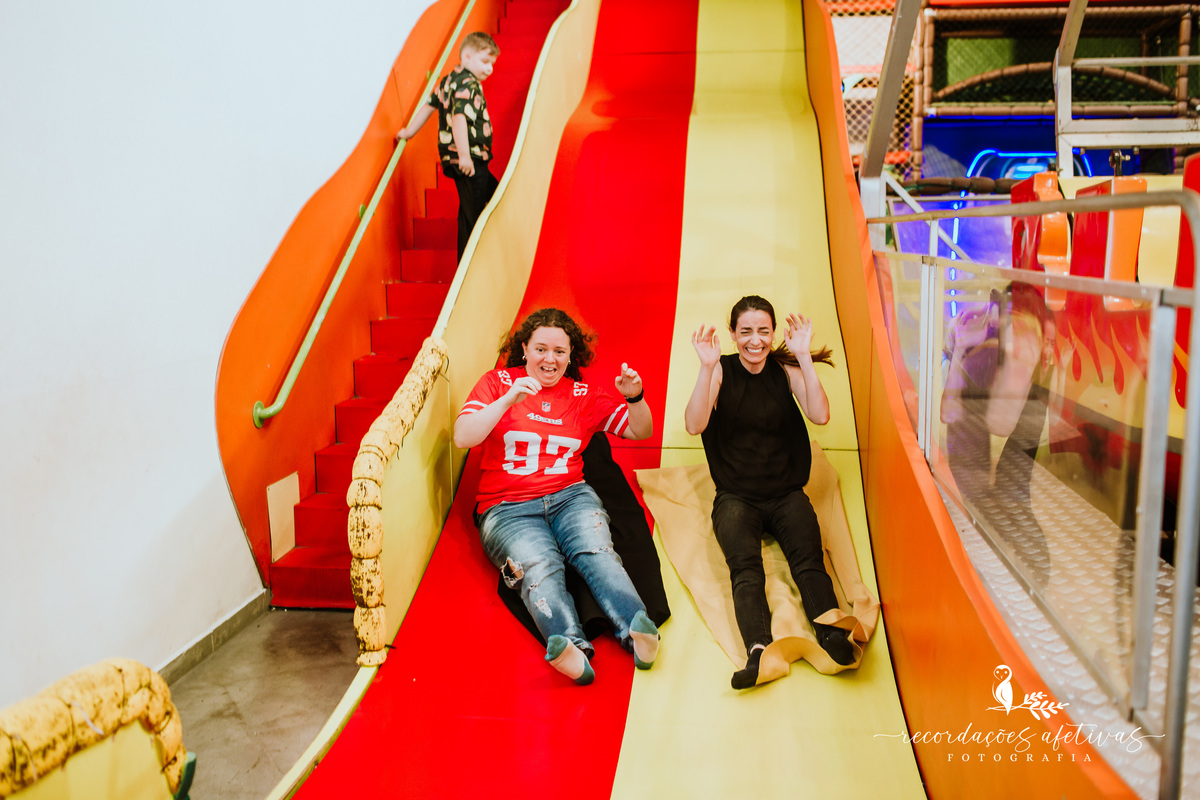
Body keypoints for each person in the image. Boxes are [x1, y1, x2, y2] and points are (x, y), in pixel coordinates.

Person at [454, 308, 661, 684]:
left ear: (571, 356)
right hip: (507, 508)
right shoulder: (498, 382)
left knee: (595, 551)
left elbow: (639, 431)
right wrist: (507, 400)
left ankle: (637, 627)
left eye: (560, 352)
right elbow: (463, 437)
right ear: (525, 349)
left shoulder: (582, 395)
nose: (550, 359)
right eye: (541, 349)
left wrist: (636, 398)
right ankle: (568, 643)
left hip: (570, 497)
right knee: (538, 566)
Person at [685, 295, 855, 690]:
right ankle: (759, 651)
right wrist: (706, 367)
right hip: (736, 496)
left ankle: (829, 632)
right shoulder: (721, 370)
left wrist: (804, 358)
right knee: (746, 571)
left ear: (773, 332)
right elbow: (694, 425)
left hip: (785, 493)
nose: (755, 340)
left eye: (763, 331)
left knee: (809, 561)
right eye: (745, 332)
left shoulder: (784, 369)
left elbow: (821, 415)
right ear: (732, 334)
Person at [396, 32, 500, 263]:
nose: (489, 68)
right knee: (471, 216)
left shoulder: (449, 80)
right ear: (467, 56)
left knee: (490, 197)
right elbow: (460, 117)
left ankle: (474, 259)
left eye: (492, 63)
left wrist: (409, 132)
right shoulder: (468, 84)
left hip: (460, 158)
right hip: (471, 159)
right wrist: (464, 156)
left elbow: (429, 106)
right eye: (485, 62)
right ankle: (468, 266)